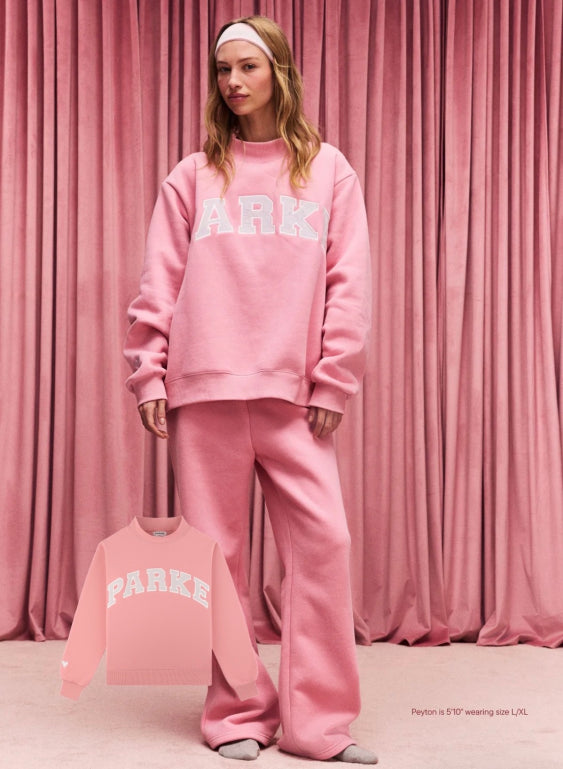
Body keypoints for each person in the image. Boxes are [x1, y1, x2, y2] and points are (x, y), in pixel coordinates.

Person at [124, 15, 375, 764]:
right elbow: (159, 281)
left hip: (293, 392)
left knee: (324, 546)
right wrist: (148, 371)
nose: (233, 82)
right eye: (222, 70)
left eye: (248, 67)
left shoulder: (327, 170)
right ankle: (236, 712)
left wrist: (333, 377)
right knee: (217, 559)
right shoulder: (193, 174)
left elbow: (349, 283)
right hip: (204, 387)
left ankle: (318, 724)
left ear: (279, 74)